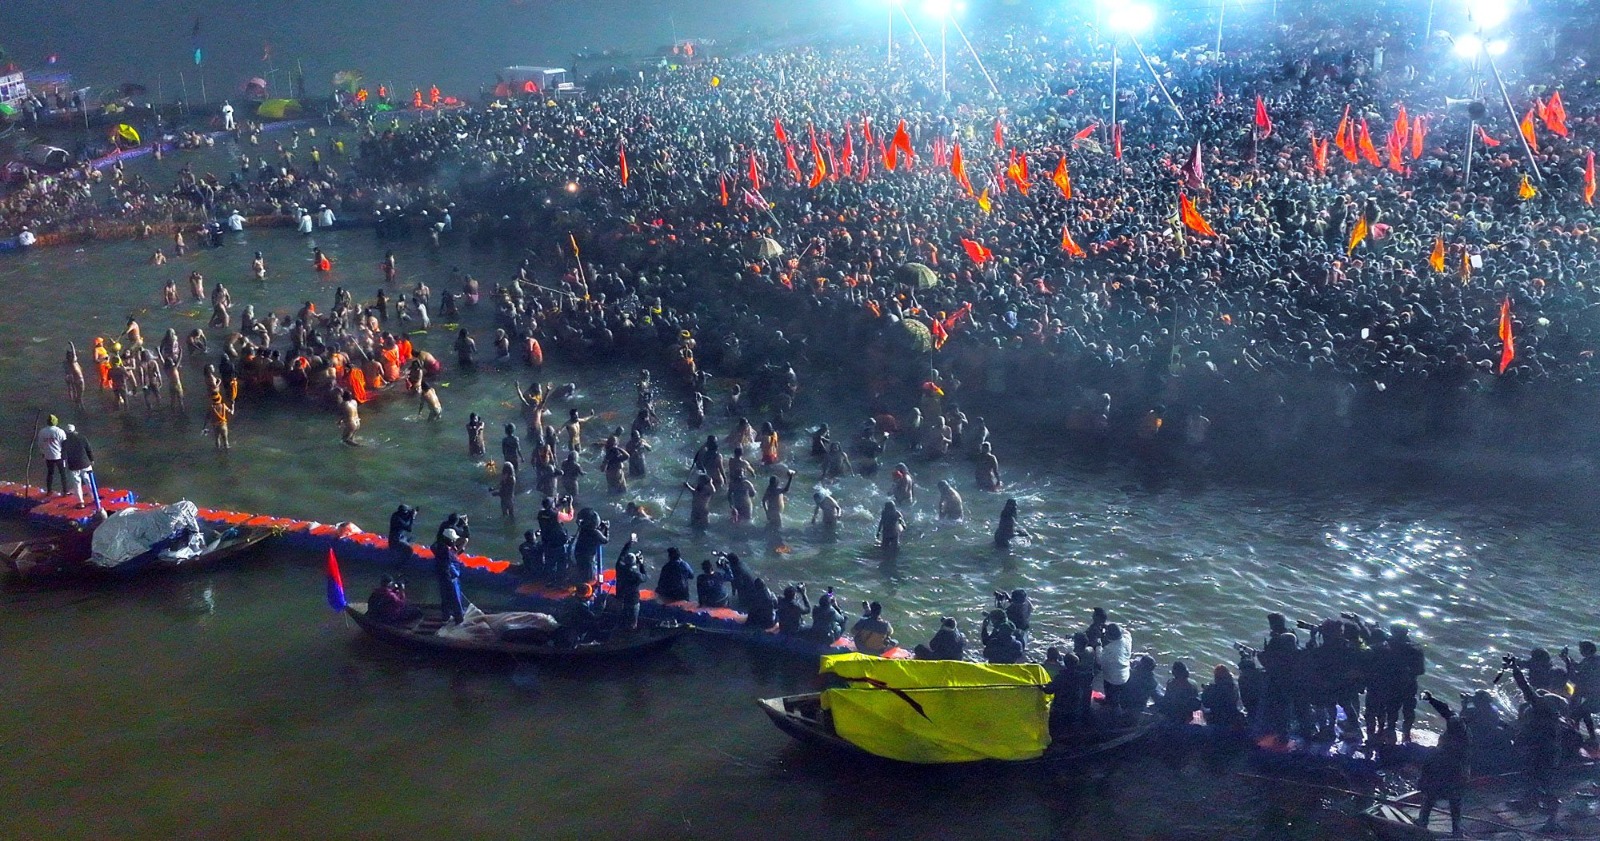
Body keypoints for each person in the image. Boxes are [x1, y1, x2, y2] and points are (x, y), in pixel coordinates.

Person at [1416, 691, 1471, 838]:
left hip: (1449, 771)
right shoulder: (1464, 733)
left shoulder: (1456, 743)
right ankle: (1456, 829)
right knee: (1454, 803)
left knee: (1430, 798)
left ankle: (1423, 822)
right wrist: (1431, 699)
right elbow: (1445, 710)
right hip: (1455, 774)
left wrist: (1422, 780)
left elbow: (1430, 764)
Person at [432, 528, 466, 623]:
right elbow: (447, 566)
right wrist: (450, 579)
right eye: (453, 540)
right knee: (456, 600)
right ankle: (459, 619)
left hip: (442, 577)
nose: (454, 541)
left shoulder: (437, 547)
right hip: (450, 578)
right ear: (448, 540)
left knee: (445, 599)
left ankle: (445, 618)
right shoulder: (446, 552)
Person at [614, 536, 647, 630]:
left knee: (621, 619)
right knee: (632, 623)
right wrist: (641, 564)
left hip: (620, 598)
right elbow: (644, 577)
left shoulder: (619, 567)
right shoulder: (636, 575)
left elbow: (622, 555)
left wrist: (629, 543)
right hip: (632, 601)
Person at [1203, 664, 1248, 732]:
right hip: (1233, 717)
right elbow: (1236, 701)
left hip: (1216, 718)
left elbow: (1206, 704)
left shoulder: (1211, 689)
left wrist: (1206, 690)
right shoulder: (1233, 688)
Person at [61, 424, 97, 510]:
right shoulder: (82, 438)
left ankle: (81, 502)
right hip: (85, 464)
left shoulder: (65, 442)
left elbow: (64, 455)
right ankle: (95, 498)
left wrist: (64, 465)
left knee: (77, 484)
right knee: (89, 481)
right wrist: (91, 459)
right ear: (75, 430)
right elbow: (88, 449)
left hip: (74, 466)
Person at [1099, 624, 1133, 711]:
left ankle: (1111, 708)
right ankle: (1112, 703)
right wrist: (1109, 627)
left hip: (1113, 679)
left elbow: (1100, 660)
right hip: (1125, 675)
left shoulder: (1110, 649)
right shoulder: (1127, 639)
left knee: (1110, 693)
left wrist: (1098, 646)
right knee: (1117, 693)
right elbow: (1126, 631)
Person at [571, 508, 609, 584]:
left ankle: (581, 582)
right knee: (588, 576)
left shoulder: (583, 527)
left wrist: (601, 528)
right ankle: (586, 587)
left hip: (578, 553)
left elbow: (596, 533)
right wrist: (607, 529)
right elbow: (605, 540)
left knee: (581, 570)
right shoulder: (594, 532)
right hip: (588, 557)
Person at [35, 414, 68, 496]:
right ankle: (65, 491)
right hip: (59, 456)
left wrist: (43, 453)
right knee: (63, 473)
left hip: (48, 456)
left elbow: (40, 444)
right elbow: (65, 444)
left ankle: (49, 491)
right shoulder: (59, 431)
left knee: (50, 473)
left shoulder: (42, 432)